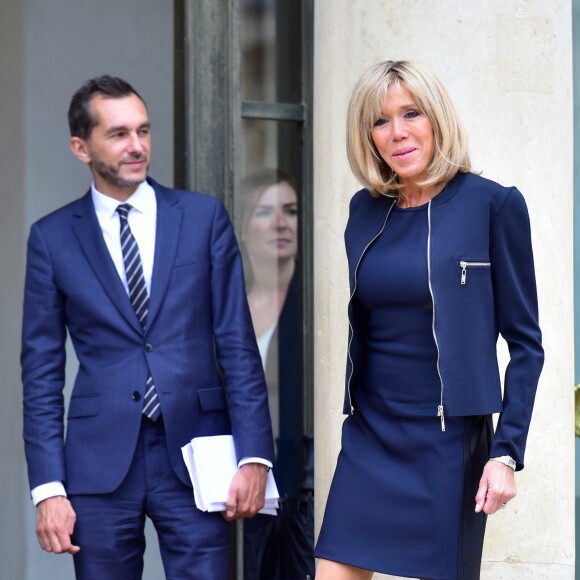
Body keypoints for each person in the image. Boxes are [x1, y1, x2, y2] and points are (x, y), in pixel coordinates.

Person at [21, 75, 274, 580]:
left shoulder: (203, 219)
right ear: (81, 146)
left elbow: (238, 346)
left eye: (143, 131)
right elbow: (41, 373)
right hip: (98, 462)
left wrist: (255, 457)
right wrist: (49, 488)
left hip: (198, 453)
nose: (137, 146)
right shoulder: (51, 239)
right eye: (118, 134)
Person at [314, 60, 544, 580]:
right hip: (370, 436)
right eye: (380, 120)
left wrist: (506, 454)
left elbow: (526, 345)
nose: (397, 132)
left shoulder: (494, 205)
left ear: (436, 118)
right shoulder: (365, 210)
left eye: (411, 113)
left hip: (448, 442)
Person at [238, 170, 315, 579]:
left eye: (291, 211)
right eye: (265, 212)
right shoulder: (228, 304)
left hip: (306, 488)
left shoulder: (317, 298)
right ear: (244, 227)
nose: (281, 222)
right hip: (242, 487)